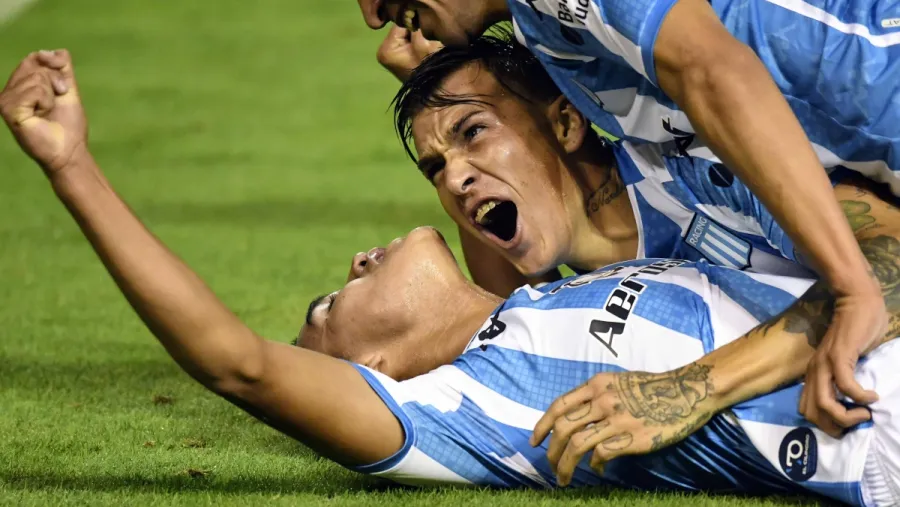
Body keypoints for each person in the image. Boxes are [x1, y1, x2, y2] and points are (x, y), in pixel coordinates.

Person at [3, 49, 900, 506]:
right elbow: (238, 362)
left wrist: (442, 77)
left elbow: (524, 239)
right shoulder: (467, 407)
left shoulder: (572, 277)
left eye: (470, 140)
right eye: (329, 305)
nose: (354, 261)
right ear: (373, 374)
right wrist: (72, 166)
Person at [358, 0, 898, 439]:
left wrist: (692, 390)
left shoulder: (703, 172)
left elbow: (887, 266)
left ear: (567, 122)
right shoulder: (580, 280)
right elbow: (503, 325)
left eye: (474, 131)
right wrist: (432, 87)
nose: (454, 179)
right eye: (435, 169)